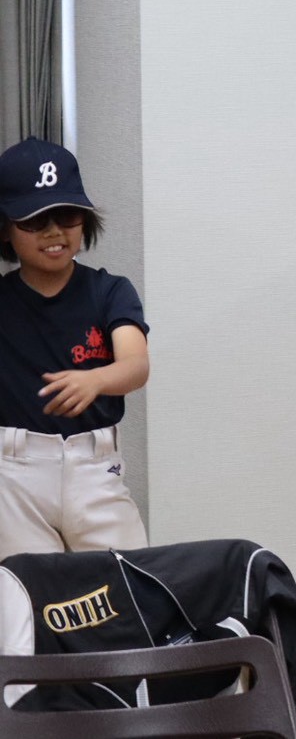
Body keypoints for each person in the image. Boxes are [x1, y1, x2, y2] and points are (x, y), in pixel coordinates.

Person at [0, 137, 150, 559]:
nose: (54, 232)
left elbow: (136, 365)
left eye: (66, 215)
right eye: (34, 220)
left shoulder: (110, 291)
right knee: (24, 591)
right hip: (13, 473)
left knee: (129, 582)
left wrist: (96, 380)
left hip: (96, 468)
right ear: (6, 228)